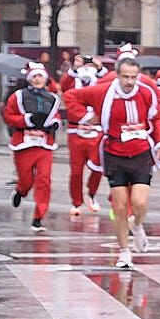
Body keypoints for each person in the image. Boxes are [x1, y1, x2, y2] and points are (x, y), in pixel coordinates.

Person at [68, 47, 160, 268]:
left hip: (140, 152)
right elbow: (70, 96)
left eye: (133, 77)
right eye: (125, 77)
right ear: (117, 75)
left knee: (140, 202)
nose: (129, 82)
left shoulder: (146, 93)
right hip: (114, 153)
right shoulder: (103, 91)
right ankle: (124, 252)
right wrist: (85, 117)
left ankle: (137, 224)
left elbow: (156, 120)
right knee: (120, 206)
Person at [2, 63, 61, 232]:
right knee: (26, 180)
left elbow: (55, 116)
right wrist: (28, 119)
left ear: (45, 78)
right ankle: (20, 191)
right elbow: (9, 116)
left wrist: (54, 124)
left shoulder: (53, 98)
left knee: (44, 180)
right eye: (34, 76)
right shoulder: (18, 97)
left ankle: (38, 217)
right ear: (29, 79)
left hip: (44, 144)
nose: (37, 79)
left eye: (40, 76)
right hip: (24, 144)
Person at [63, 62, 105, 218]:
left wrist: (100, 68)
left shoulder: (99, 83)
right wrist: (73, 69)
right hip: (76, 131)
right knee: (76, 170)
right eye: (84, 64)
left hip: (96, 131)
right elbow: (63, 85)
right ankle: (76, 201)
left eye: (90, 64)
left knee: (97, 166)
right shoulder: (73, 81)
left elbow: (110, 81)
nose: (86, 67)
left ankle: (91, 193)